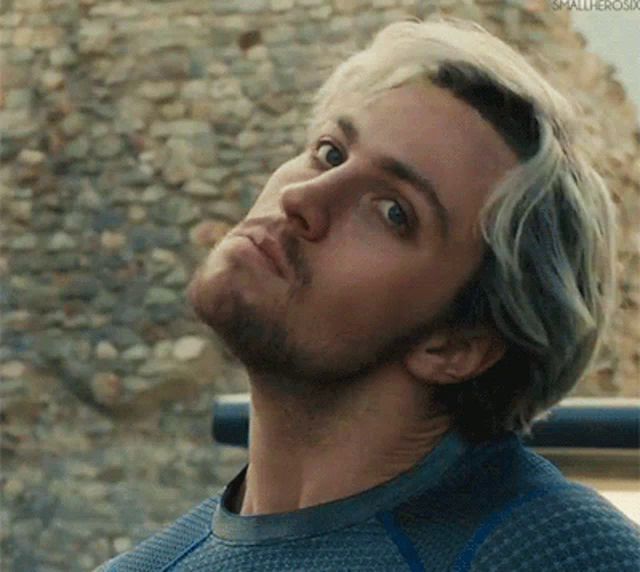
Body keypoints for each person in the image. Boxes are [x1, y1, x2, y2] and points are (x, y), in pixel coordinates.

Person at [96, 16, 639, 571]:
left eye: (393, 211)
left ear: (455, 345)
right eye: (330, 153)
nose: (302, 198)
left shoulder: (561, 558)